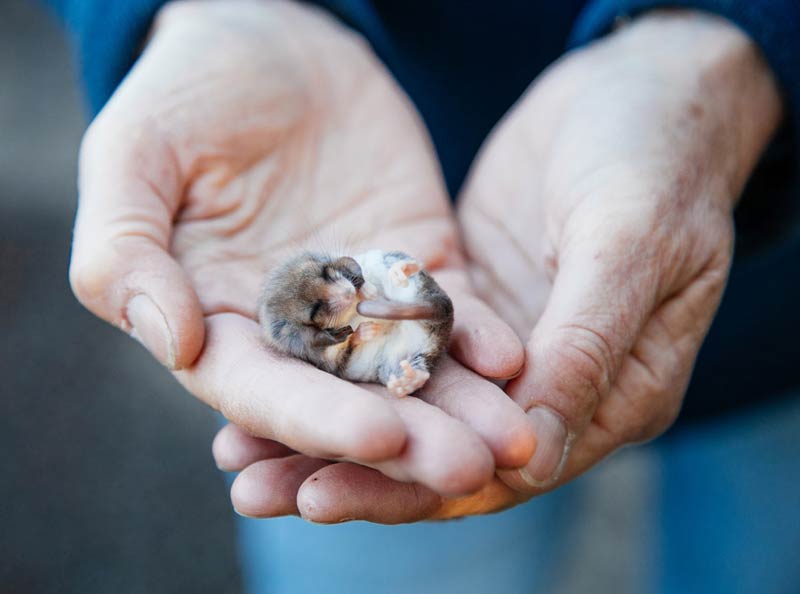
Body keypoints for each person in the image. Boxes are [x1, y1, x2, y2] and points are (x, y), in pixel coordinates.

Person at [48, 0, 799, 592]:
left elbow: (399, 303)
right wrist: (209, 10)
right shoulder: (322, 321)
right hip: (393, 158)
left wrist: (741, 37)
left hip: (770, 318)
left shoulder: (359, 285)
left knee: (755, 556)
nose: (347, 297)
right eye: (334, 301)